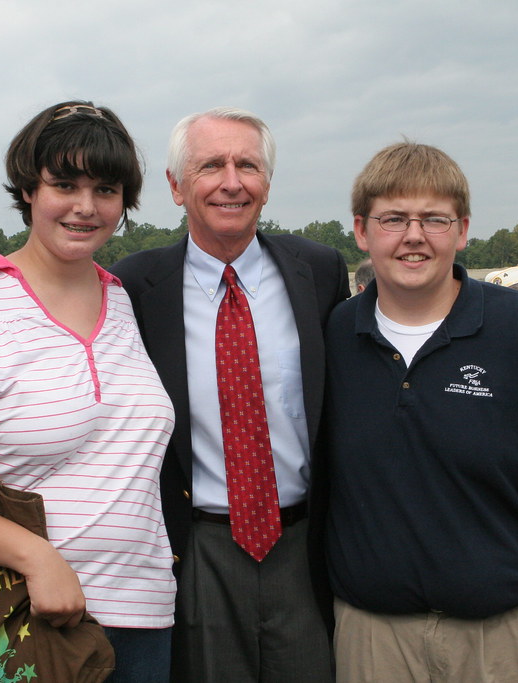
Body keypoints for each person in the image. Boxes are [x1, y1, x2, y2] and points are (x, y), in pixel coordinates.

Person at [0, 101, 176, 683]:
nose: (85, 206)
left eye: (106, 188)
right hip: (16, 617)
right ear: (27, 190)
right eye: (63, 184)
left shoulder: (124, 301)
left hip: (142, 619)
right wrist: (37, 557)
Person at [319, 141, 518, 682]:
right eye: (393, 218)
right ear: (361, 230)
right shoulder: (333, 335)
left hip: (505, 638)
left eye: (434, 219)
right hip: (372, 640)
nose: (414, 236)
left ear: (463, 230)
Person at [110, 106, 348, 682]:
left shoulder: (318, 271)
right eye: (210, 165)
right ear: (175, 186)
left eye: (248, 165)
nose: (232, 181)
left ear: (267, 184)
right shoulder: (135, 285)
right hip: (197, 550)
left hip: (303, 545)